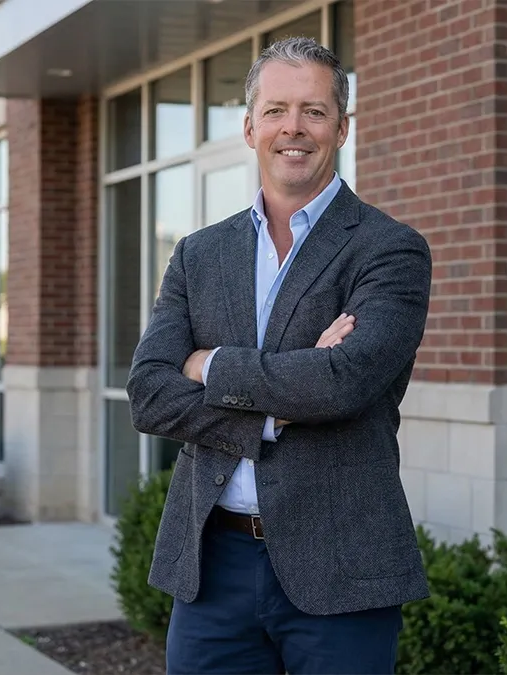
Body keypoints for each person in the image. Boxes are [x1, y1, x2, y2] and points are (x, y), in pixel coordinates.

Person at [126, 36, 432, 675]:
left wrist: (207, 364)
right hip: (215, 566)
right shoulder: (198, 254)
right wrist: (271, 413)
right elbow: (149, 392)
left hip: (342, 566)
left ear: (342, 128)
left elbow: (341, 383)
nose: (293, 128)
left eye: (314, 112)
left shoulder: (389, 250)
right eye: (276, 110)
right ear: (249, 127)